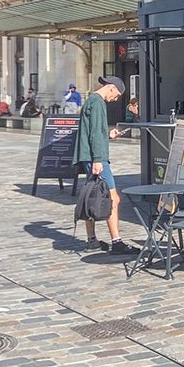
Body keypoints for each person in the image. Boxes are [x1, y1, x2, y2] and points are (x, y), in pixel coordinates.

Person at [73, 75, 139, 254]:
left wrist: (108, 135)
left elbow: (93, 131)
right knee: (114, 199)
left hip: (89, 156)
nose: (116, 99)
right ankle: (116, 242)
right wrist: (98, 159)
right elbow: (94, 133)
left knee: (90, 195)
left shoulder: (91, 101)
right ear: (111, 88)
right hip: (97, 159)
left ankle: (92, 240)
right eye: (117, 95)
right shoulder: (98, 103)